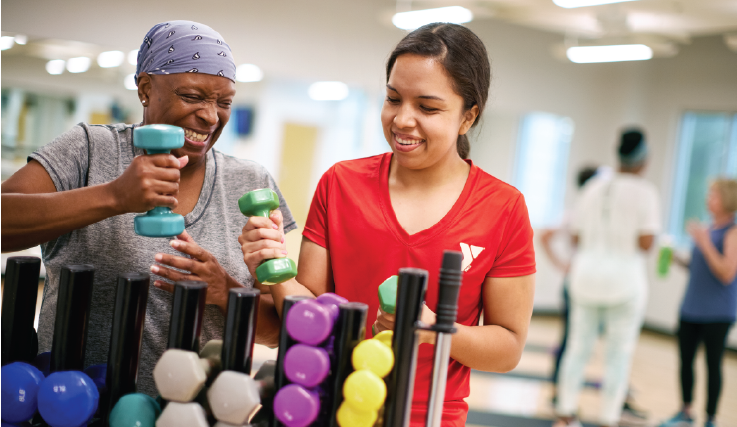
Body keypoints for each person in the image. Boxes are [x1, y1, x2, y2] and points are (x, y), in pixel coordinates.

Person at [239, 23, 536, 426]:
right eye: (393, 99)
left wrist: (436, 330)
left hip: (429, 415)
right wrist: (272, 264)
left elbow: (508, 348)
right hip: (328, 402)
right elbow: (311, 315)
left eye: (427, 108)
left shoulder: (503, 207)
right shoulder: (341, 184)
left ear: (469, 116)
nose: (403, 120)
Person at [0, 21, 294, 396]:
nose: (210, 116)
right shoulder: (90, 150)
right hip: (74, 405)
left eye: (224, 102)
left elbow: (273, 332)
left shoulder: (250, 180)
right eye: (192, 96)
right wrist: (115, 197)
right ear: (144, 88)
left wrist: (225, 290)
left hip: (191, 414)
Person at [554, 129, 661, 427]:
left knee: (577, 348)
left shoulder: (592, 188)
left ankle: (565, 414)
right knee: (618, 355)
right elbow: (646, 244)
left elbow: (575, 237)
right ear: (643, 160)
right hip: (625, 282)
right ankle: (608, 418)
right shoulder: (646, 192)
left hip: (584, 278)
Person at [657, 179, 737, 427]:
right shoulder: (710, 229)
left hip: (718, 312)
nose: (708, 199)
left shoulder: (735, 232)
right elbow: (699, 268)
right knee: (685, 362)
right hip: (691, 308)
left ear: (727, 199)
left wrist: (704, 244)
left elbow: (727, 272)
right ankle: (685, 411)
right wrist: (675, 258)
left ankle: (710, 418)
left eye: (713, 195)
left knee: (712, 364)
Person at [541, 165, 598, 388]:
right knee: (571, 337)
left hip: (590, 284)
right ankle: (559, 383)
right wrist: (563, 266)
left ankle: (564, 383)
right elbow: (545, 236)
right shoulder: (575, 214)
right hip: (576, 283)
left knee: (578, 337)